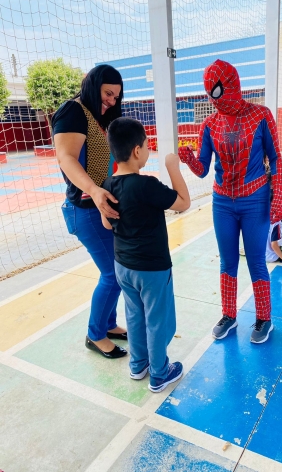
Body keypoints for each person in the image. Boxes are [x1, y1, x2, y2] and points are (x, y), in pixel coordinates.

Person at [178, 59, 282, 344]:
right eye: (209, 93)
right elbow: (202, 169)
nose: (215, 100)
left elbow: (275, 158)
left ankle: (264, 318)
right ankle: (229, 314)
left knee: (256, 261)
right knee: (227, 262)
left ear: (232, 85)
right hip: (223, 202)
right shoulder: (210, 124)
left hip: (255, 200)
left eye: (217, 91)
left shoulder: (261, 115)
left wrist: (278, 197)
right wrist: (190, 159)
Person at [101, 118, 190, 392]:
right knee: (157, 320)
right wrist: (172, 167)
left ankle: (138, 365)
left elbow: (107, 223)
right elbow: (184, 203)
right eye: (147, 145)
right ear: (137, 151)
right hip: (152, 269)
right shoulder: (147, 185)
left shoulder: (108, 184)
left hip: (123, 266)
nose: (148, 149)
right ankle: (160, 373)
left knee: (135, 316)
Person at [53, 65, 127, 359]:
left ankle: (108, 324)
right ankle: (95, 335)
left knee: (118, 271)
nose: (111, 101)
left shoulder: (100, 117)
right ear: (93, 85)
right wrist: (94, 190)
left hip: (102, 205)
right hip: (83, 208)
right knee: (112, 273)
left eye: (116, 97)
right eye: (107, 93)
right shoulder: (72, 111)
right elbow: (66, 158)